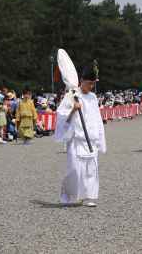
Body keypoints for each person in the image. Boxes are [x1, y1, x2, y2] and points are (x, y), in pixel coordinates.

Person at [54, 66, 106, 207]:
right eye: (89, 83)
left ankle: (89, 196)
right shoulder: (71, 95)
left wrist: (100, 138)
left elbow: (97, 119)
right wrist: (73, 109)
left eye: (93, 83)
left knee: (91, 170)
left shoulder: (93, 97)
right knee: (75, 170)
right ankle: (68, 196)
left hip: (91, 139)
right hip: (76, 139)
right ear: (81, 81)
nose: (91, 86)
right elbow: (61, 116)